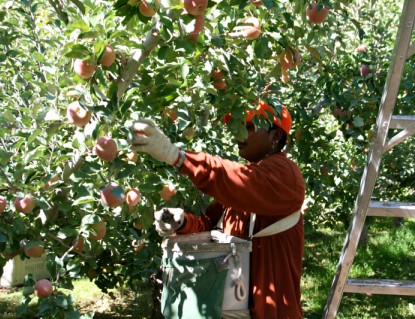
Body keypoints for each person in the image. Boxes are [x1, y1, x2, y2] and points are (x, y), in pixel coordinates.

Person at [130, 100, 305, 319]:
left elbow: (232, 180)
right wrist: (181, 222)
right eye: (238, 126)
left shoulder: (284, 173)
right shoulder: (252, 175)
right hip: (235, 305)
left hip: (272, 311)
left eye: (249, 127)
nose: (239, 134)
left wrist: (177, 156)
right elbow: (209, 223)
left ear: (275, 136)